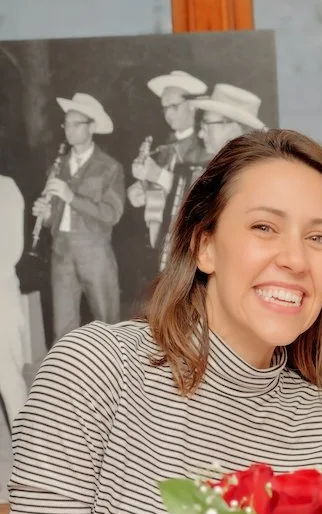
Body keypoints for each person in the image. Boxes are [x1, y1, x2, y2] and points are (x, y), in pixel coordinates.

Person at [5, 129, 322, 514]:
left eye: (319, 238)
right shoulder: (94, 370)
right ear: (205, 245)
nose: (295, 259)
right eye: (265, 227)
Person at [32, 93, 125, 340]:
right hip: (61, 252)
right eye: (66, 124)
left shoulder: (110, 167)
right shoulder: (58, 164)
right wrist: (46, 214)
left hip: (95, 253)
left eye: (76, 124)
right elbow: (56, 215)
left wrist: (71, 196)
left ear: (91, 127)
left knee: (109, 326)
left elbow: (112, 213)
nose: (68, 130)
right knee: (63, 330)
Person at [148, 82, 266, 271]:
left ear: (233, 128)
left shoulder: (258, 179)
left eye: (207, 125)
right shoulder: (214, 171)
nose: (201, 133)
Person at [127, 70, 208, 253]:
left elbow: (199, 198)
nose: (168, 114)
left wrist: (156, 175)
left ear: (192, 106)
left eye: (174, 106)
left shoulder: (205, 148)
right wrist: (141, 189)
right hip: (159, 242)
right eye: (164, 108)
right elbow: (159, 191)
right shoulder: (164, 147)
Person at [0, 174, 28, 499]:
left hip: (1, 301)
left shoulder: (6, 189)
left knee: (9, 380)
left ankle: (29, 462)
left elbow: (9, 252)